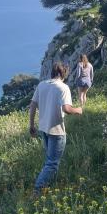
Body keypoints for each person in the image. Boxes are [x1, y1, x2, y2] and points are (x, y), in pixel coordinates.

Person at [29, 61, 82, 193]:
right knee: (52, 163)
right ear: (64, 73)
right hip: (57, 131)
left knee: (50, 161)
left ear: (52, 72)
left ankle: (50, 187)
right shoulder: (63, 88)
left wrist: (31, 125)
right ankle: (38, 190)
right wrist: (78, 110)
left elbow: (33, 105)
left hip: (44, 130)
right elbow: (67, 109)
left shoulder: (41, 85)